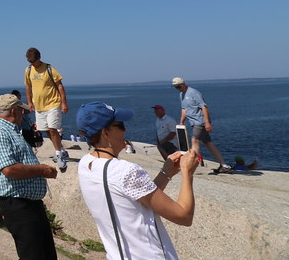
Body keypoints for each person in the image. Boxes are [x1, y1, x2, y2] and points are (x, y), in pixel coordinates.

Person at [76, 101, 200, 260]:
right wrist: (187, 172)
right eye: (120, 125)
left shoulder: (85, 165)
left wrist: (165, 173)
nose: (125, 129)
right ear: (105, 132)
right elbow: (184, 216)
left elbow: (139, 200)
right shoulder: (126, 171)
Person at [0, 93, 59, 260]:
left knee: (44, 252)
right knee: (32, 254)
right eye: (21, 111)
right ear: (13, 111)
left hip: (29, 204)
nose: (23, 114)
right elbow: (9, 169)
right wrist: (41, 170)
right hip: (18, 205)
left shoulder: (12, 131)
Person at [172, 77, 231, 172]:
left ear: (183, 84)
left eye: (178, 86)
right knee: (209, 144)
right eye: (175, 87)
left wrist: (207, 123)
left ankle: (191, 166)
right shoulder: (181, 95)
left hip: (199, 122)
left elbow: (204, 107)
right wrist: (182, 122)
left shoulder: (194, 93)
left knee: (194, 141)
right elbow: (184, 109)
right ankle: (224, 165)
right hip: (193, 123)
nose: (178, 88)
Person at [24, 47, 69, 172]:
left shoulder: (49, 68)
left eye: (33, 61)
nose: (31, 64)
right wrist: (29, 102)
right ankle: (62, 150)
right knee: (46, 130)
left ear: (39, 58)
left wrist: (64, 103)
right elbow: (28, 86)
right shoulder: (28, 70)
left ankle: (59, 155)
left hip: (53, 103)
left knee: (53, 129)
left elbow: (60, 86)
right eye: (29, 61)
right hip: (39, 106)